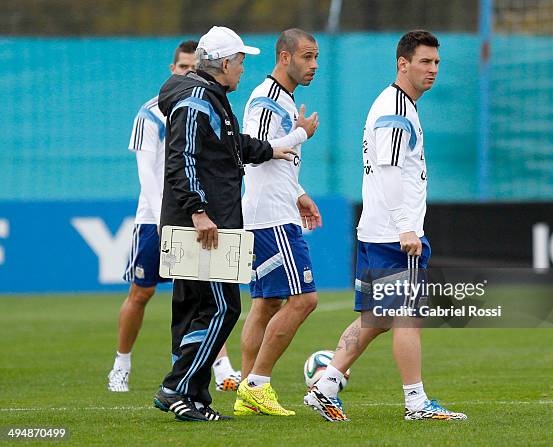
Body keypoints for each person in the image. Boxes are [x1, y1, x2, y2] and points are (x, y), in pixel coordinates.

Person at [304, 30, 467, 422]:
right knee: (409, 317)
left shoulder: (397, 105)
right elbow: (391, 171)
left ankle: (325, 386)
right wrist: (406, 228)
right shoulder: (395, 108)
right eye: (425, 62)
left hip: (378, 230)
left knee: (375, 319)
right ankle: (416, 403)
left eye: (437, 63)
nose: (433, 70)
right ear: (403, 64)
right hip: (395, 235)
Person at [152, 26, 297, 422]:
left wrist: (275, 147)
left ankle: (193, 397)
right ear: (223, 64)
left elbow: (228, 148)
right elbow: (183, 159)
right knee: (222, 307)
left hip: (200, 219)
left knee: (195, 309)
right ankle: (177, 387)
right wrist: (199, 211)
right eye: (240, 62)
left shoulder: (206, 97)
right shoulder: (198, 100)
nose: (243, 69)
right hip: (203, 223)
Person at [107, 40, 241, 394]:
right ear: (174, 69)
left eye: (189, 67)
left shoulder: (210, 103)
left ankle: (208, 369)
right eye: (180, 68)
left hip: (189, 214)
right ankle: (122, 363)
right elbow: (149, 172)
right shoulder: (150, 113)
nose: (185, 73)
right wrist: (167, 219)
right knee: (143, 292)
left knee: (201, 292)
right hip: (159, 217)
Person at [234, 28, 321, 417]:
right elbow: (254, 152)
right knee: (304, 299)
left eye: (316, 57)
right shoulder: (268, 100)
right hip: (271, 217)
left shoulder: (281, 99)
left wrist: (298, 192)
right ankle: (258, 383)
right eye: (306, 56)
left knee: (266, 302)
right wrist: (302, 133)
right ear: (284, 57)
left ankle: (246, 396)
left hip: (271, 208)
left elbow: (275, 159)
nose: (313, 65)